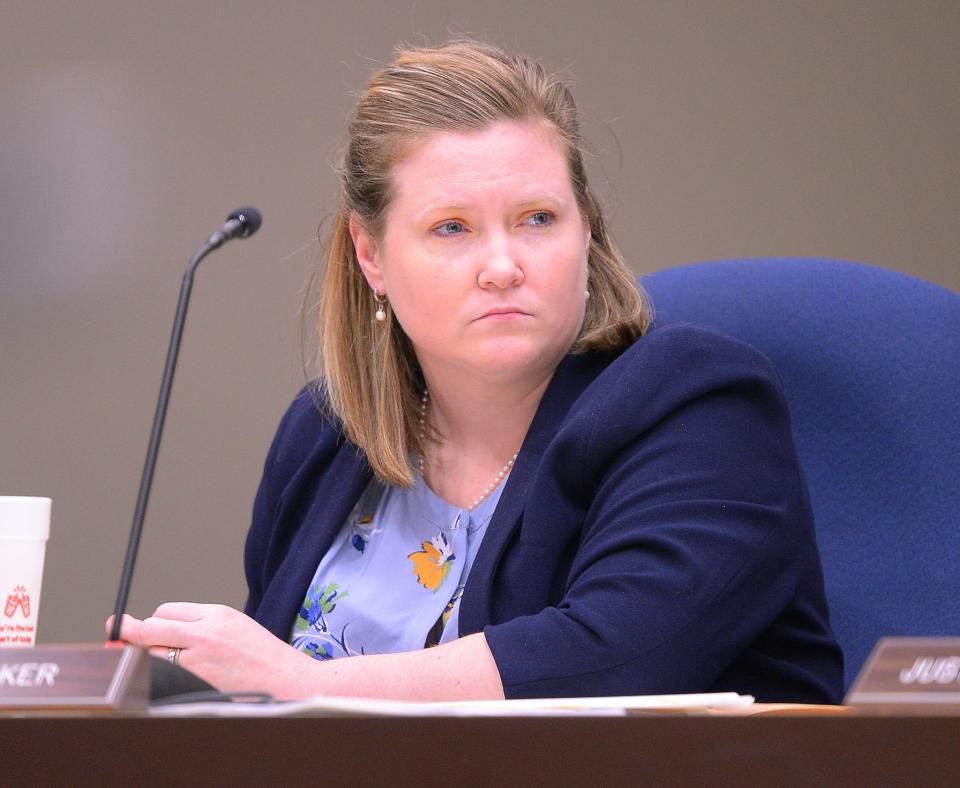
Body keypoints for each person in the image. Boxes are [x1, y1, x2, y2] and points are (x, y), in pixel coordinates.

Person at [110, 40, 844, 703]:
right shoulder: (325, 438)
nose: (502, 266)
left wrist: (303, 683)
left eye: (537, 218)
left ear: (586, 228)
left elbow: (613, 659)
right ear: (372, 257)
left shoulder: (697, 405)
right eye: (452, 228)